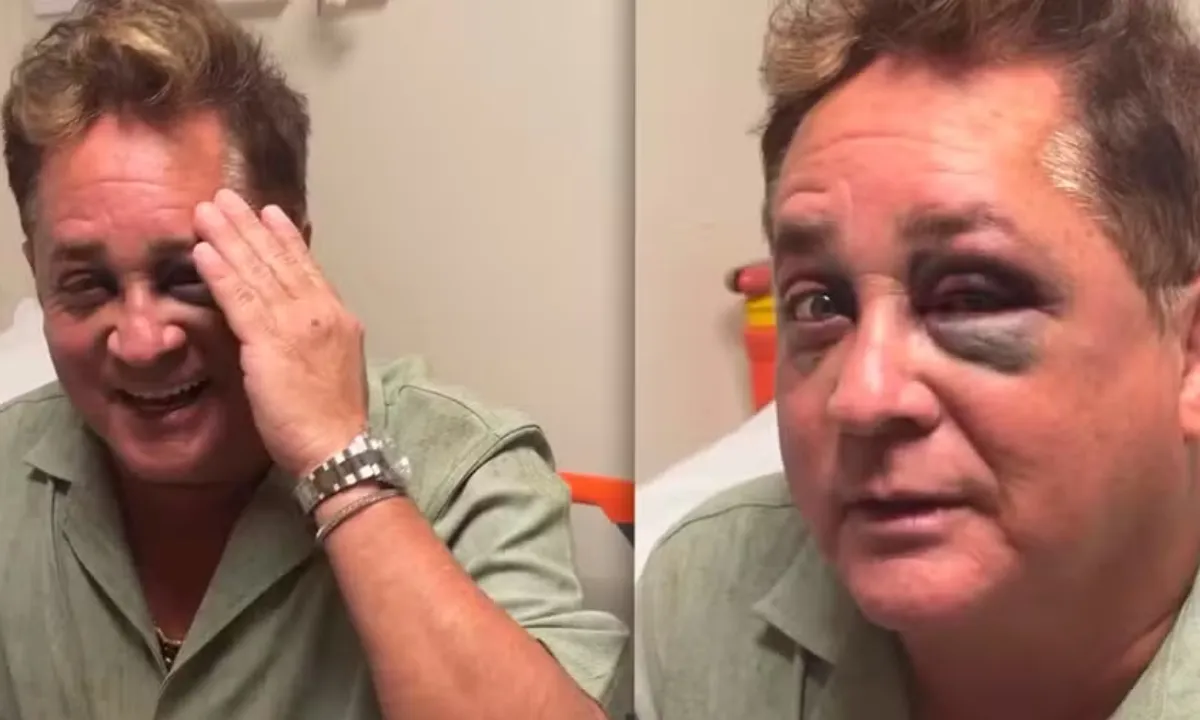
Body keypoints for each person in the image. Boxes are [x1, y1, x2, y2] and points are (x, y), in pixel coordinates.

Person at [0, 0, 627, 717]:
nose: (142, 341)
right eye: (87, 284)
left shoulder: (468, 473)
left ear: (291, 255)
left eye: (191, 276)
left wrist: (338, 461)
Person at [637, 0, 1200, 718]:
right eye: (819, 305)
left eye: (972, 297)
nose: (860, 397)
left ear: (1189, 352)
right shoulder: (703, 598)